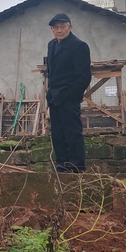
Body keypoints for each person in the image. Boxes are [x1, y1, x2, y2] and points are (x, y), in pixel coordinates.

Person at [45, 12, 92, 173]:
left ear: (69, 27)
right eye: (56, 27)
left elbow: (84, 76)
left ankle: (76, 165)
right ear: (52, 29)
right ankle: (62, 164)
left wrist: (73, 96)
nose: (59, 30)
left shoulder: (79, 46)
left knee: (72, 131)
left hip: (69, 96)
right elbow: (50, 72)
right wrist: (49, 93)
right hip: (54, 96)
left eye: (63, 27)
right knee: (57, 132)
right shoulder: (51, 45)